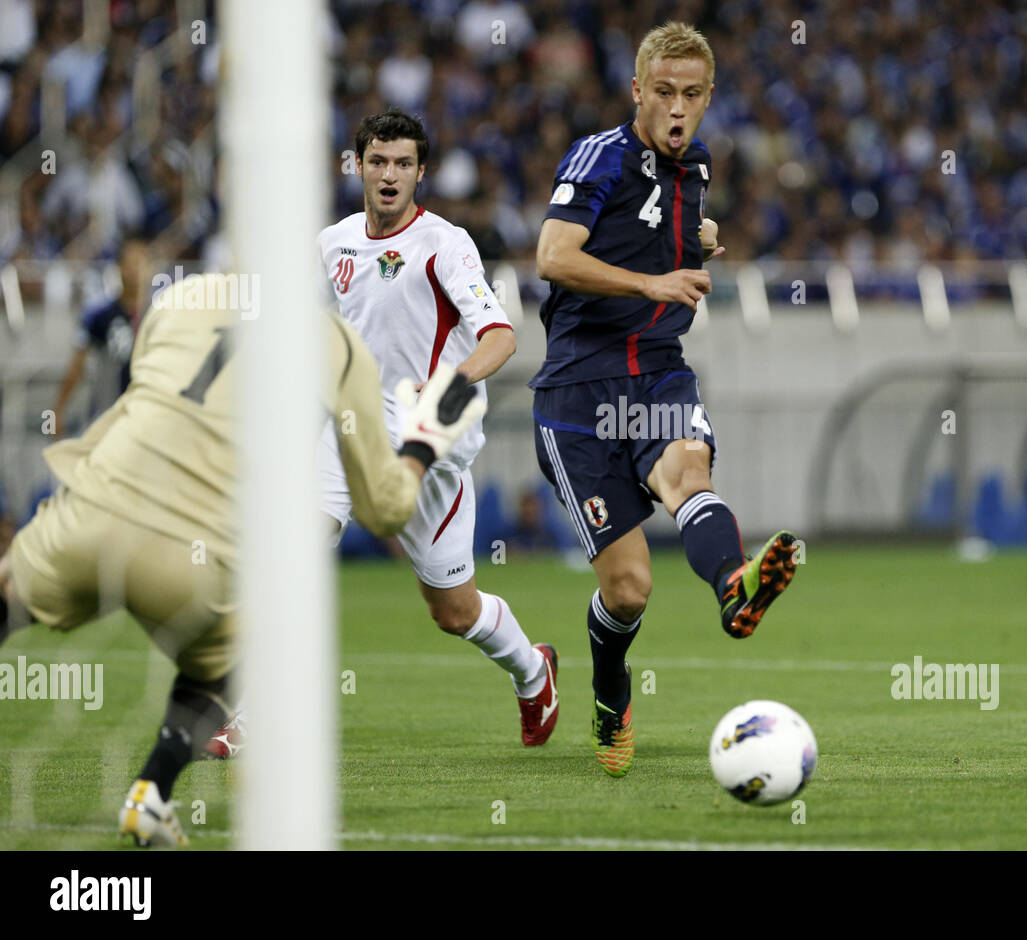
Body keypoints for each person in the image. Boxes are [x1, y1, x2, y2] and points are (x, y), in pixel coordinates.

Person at [0, 273, 484, 846]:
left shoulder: (177, 299)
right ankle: (150, 793)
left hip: (90, 508)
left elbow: (147, 394)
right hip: (187, 557)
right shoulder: (338, 345)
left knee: (7, 595)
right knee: (237, 654)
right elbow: (384, 511)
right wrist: (423, 443)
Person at [531, 22, 799, 777]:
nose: (678, 109)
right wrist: (653, 279)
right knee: (630, 587)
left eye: (692, 95)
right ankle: (610, 695)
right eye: (664, 93)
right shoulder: (599, 155)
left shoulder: (698, 168)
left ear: (709, 97)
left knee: (689, 473)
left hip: (656, 371)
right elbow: (553, 255)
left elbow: (668, 227)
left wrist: (697, 241)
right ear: (638, 92)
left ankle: (735, 586)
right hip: (577, 391)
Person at [316, 108, 559, 747]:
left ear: (421, 171)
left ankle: (534, 672)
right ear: (358, 166)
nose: (389, 175)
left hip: (431, 437)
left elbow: (501, 338)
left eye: (402, 163)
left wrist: (445, 389)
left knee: (454, 612)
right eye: (377, 161)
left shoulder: (444, 244)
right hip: (351, 427)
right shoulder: (332, 244)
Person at [51, 238, 153, 435]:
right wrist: (58, 410)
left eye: (142, 263)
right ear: (119, 267)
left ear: (151, 268)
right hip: (107, 418)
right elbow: (76, 367)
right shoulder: (99, 315)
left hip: (148, 423)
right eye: (131, 263)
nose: (136, 271)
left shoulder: (160, 314)